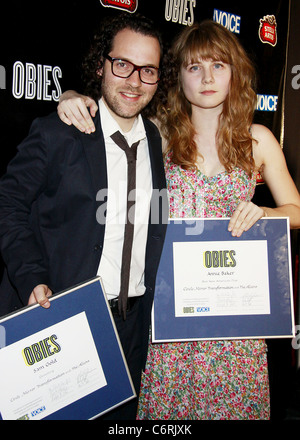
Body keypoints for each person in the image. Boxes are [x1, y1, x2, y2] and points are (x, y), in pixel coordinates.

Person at [57, 21, 300, 419]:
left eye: (218, 66)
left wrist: (268, 212)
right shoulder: (157, 135)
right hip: (171, 321)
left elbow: (297, 211)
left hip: (235, 327)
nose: (207, 78)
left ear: (234, 73)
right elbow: (107, 112)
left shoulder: (257, 140)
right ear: (177, 78)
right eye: (194, 67)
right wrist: (69, 97)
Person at [0, 12, 168, 420]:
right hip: (65, 314)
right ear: (101, 65)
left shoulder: (156, 141)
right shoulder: (61, 131)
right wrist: (31, 278)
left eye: (148, 71)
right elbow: (10, 204)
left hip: (133, 325)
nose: (134, 81)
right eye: (123, 64)